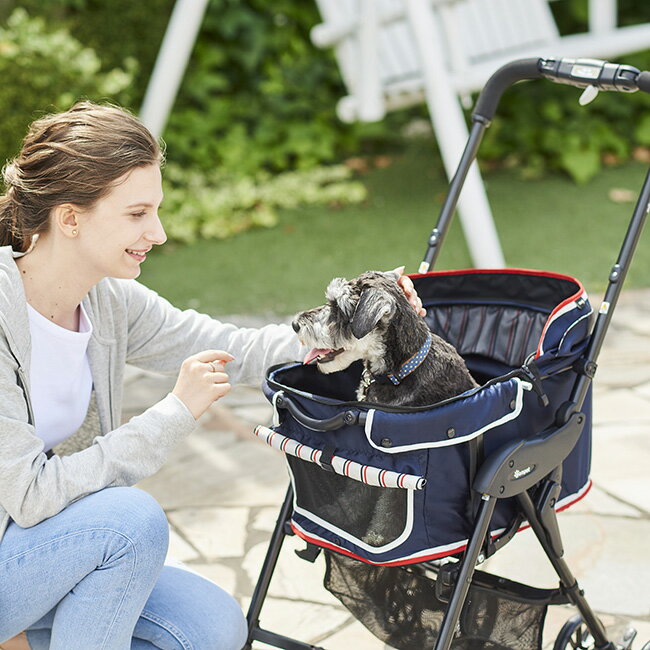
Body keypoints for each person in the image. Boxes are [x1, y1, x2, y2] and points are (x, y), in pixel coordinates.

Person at [0, 102, 424, 650]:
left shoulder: (108, 303)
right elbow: (31, 496)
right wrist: (175, 412)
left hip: (39, 554)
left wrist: (357, 324)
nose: (159, 232)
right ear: (70, 217)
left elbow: (238, 350)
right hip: (18, 549)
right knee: (128, 524)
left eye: (155, 210)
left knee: (209, 628)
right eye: (136, 214)